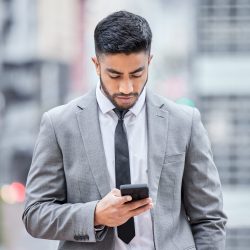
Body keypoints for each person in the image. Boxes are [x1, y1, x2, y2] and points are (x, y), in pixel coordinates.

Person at [22, 10, 227, 250]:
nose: (127, 87)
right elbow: (35, 215)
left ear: (149, 61)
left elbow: (209, 218)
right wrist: (95, 215)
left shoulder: (184, 122)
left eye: (137, 74)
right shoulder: (59, 125)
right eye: (115, 75)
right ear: (96, 65)